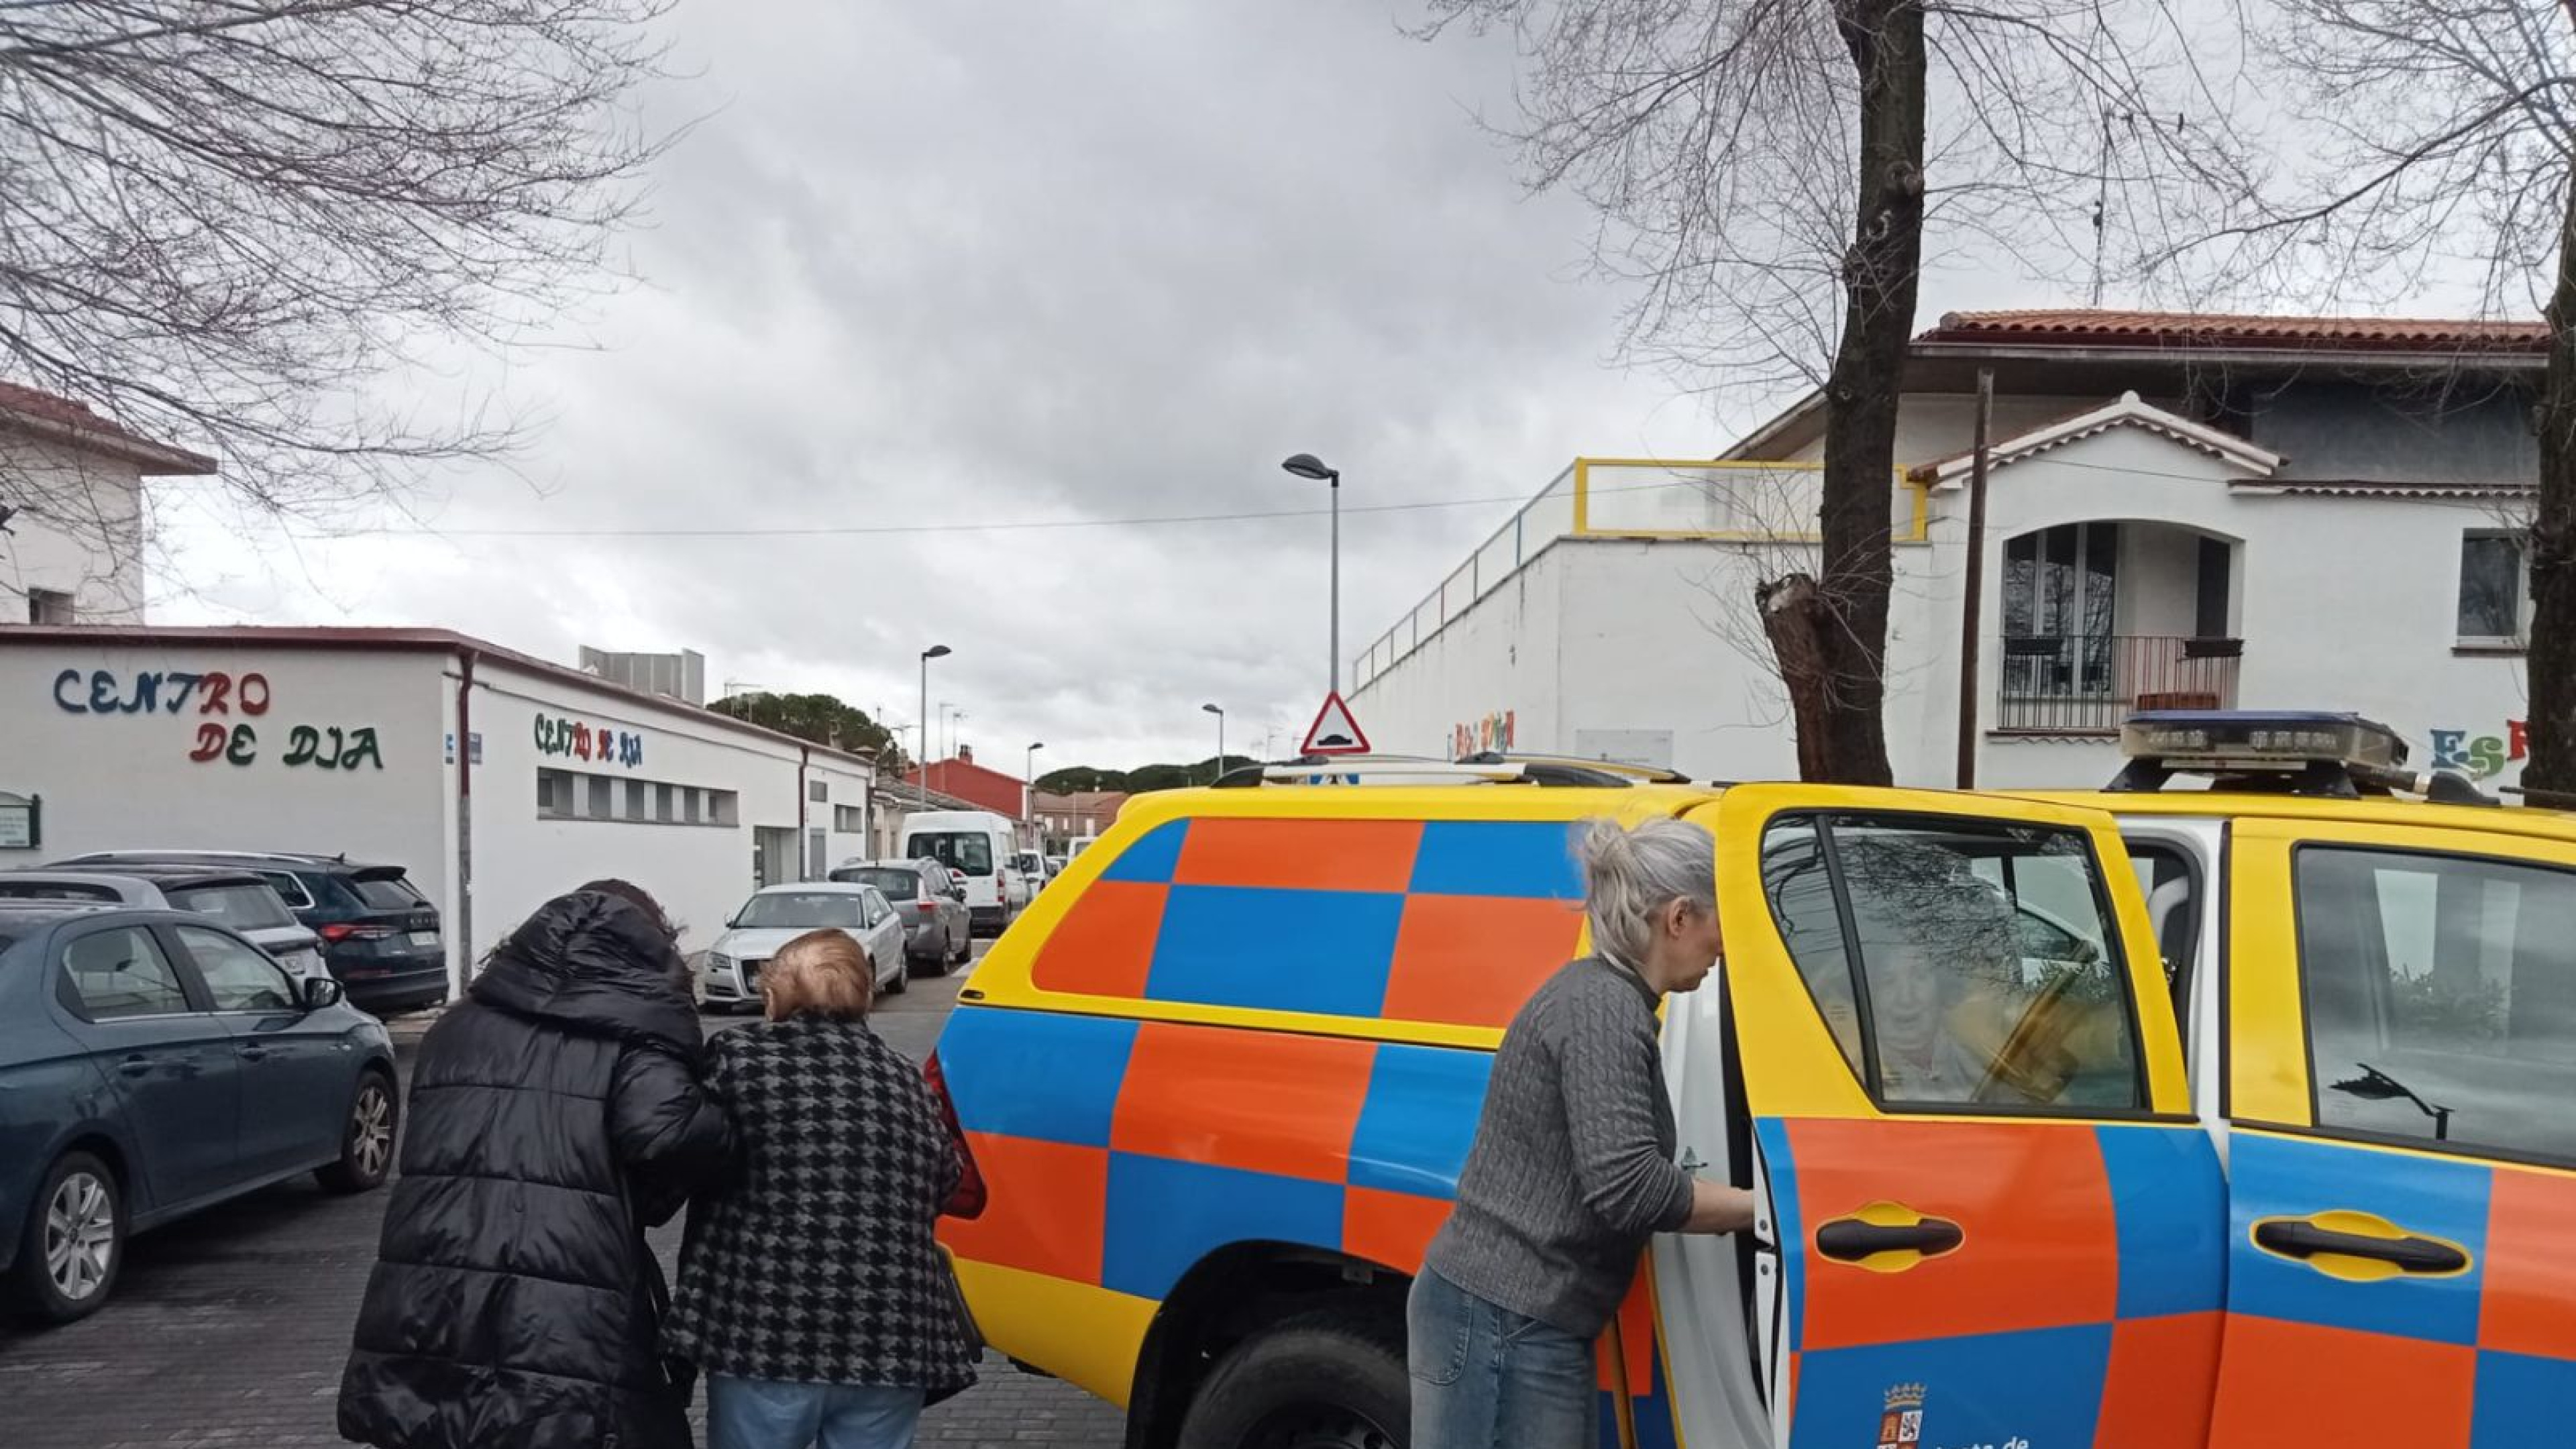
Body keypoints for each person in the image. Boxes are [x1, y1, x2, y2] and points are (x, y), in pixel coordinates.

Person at [339, 881, 732, 1449]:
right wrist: (718, 1136)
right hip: (566, 1304)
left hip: (429, 1291)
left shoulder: (458, 1026)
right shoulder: (635, 1036)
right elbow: (668, 1135)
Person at [1411, 817, 1756, 1449]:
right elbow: (1629, 1187)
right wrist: (1767, 1211)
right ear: (1678, 918)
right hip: (1502, 1320)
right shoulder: (1604, 1010)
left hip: (1509, 1314)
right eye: (1722, 921)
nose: (1725, 946)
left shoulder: (1605, 997)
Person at [664, 929, 977, 1449]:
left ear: (772, 998)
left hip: (765, 1335)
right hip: (891, 1340)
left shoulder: (738, 1060)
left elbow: (688, 1152)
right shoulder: (906, 1081)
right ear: (865, 997)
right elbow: (947, 1180)